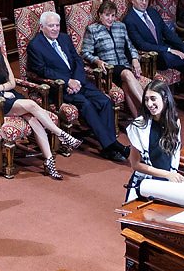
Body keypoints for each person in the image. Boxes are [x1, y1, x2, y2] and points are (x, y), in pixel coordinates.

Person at [0, 30, 83, 180]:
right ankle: (61, 134)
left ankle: (49, 162)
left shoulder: (1, 58)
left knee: (34, 120)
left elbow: (12, 82)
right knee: (32, 105)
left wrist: (1, 88)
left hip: (11, 96)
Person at [25, 11, 129, 163]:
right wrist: (68, 82)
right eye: (50, 26)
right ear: (41, 27)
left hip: (79, 82)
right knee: (86, 105)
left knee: (105, 101)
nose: (55, 29)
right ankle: (113, 146)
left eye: (57, 25)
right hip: (59, 88)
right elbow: (42, 71)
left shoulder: (64, 38)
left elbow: (77, 60)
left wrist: (77, 80)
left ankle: (109, 146)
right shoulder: (35, 46)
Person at [81, 0, 146, 119]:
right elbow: (85, 52)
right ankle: (146, 105)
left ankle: (140, 121)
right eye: (107, 15)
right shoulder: (93, 30)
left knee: (127, 88)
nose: (110, 19)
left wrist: (135, 59)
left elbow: (130, 46)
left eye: (113, 15)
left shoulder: (121, 26)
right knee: (127, 74)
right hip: (109, 68)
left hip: (124, 64)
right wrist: (97, 60)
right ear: (100, 15)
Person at [125, 79, 184, 201]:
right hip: (145, 183)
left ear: (165, 98)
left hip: (168, 182)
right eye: (146, 99)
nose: (149, 104)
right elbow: (135, 164)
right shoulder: (138, 126)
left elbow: (175, 154)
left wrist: (171, 176)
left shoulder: (175, 122)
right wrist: (167, 174)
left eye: (153, 98)